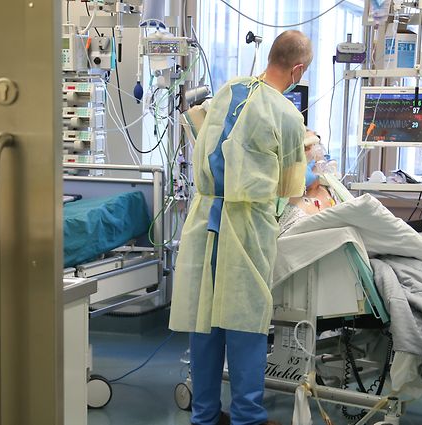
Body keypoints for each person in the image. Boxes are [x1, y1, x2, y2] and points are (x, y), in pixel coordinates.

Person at [169, 30, 313, 425]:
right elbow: (290, 188)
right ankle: (248, 417)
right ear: (298, 70)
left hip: (203, 219)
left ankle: (204, 415)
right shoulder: (287, 114)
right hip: (245, 226)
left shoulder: (229, 89)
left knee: (205, 319)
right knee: (245, 322)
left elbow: (205, 133)